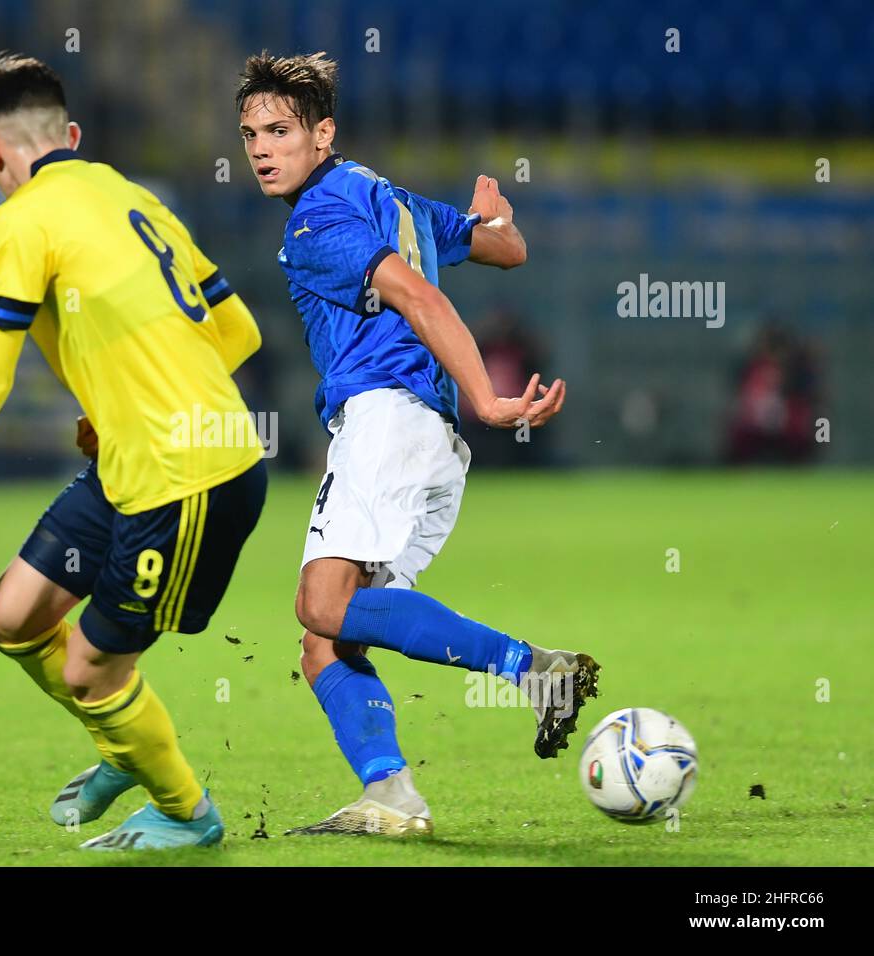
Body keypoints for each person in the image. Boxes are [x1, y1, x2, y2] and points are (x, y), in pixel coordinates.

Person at [0, 53, 268, 851]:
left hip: (188, 481)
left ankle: (187, 813)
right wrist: (131, 402)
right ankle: (125, 749)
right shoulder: (130, 193)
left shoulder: (19, 219)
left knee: (91, 672)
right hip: (145, 461)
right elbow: (240, 331)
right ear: (69, 135)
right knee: (15, 616)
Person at [236, 51, 597, 836]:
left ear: (322, 133)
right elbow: (505, 250)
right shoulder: (385, 195)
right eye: (250, 133)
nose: (261, 148)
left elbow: (418, 293)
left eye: (279, 130)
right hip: (425, 439)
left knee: (320, 604)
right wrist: (496, 219)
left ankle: (534, 670)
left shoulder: (317, 219)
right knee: (324, 640)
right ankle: (391, 796)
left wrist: (489, 397)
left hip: (385, 423)